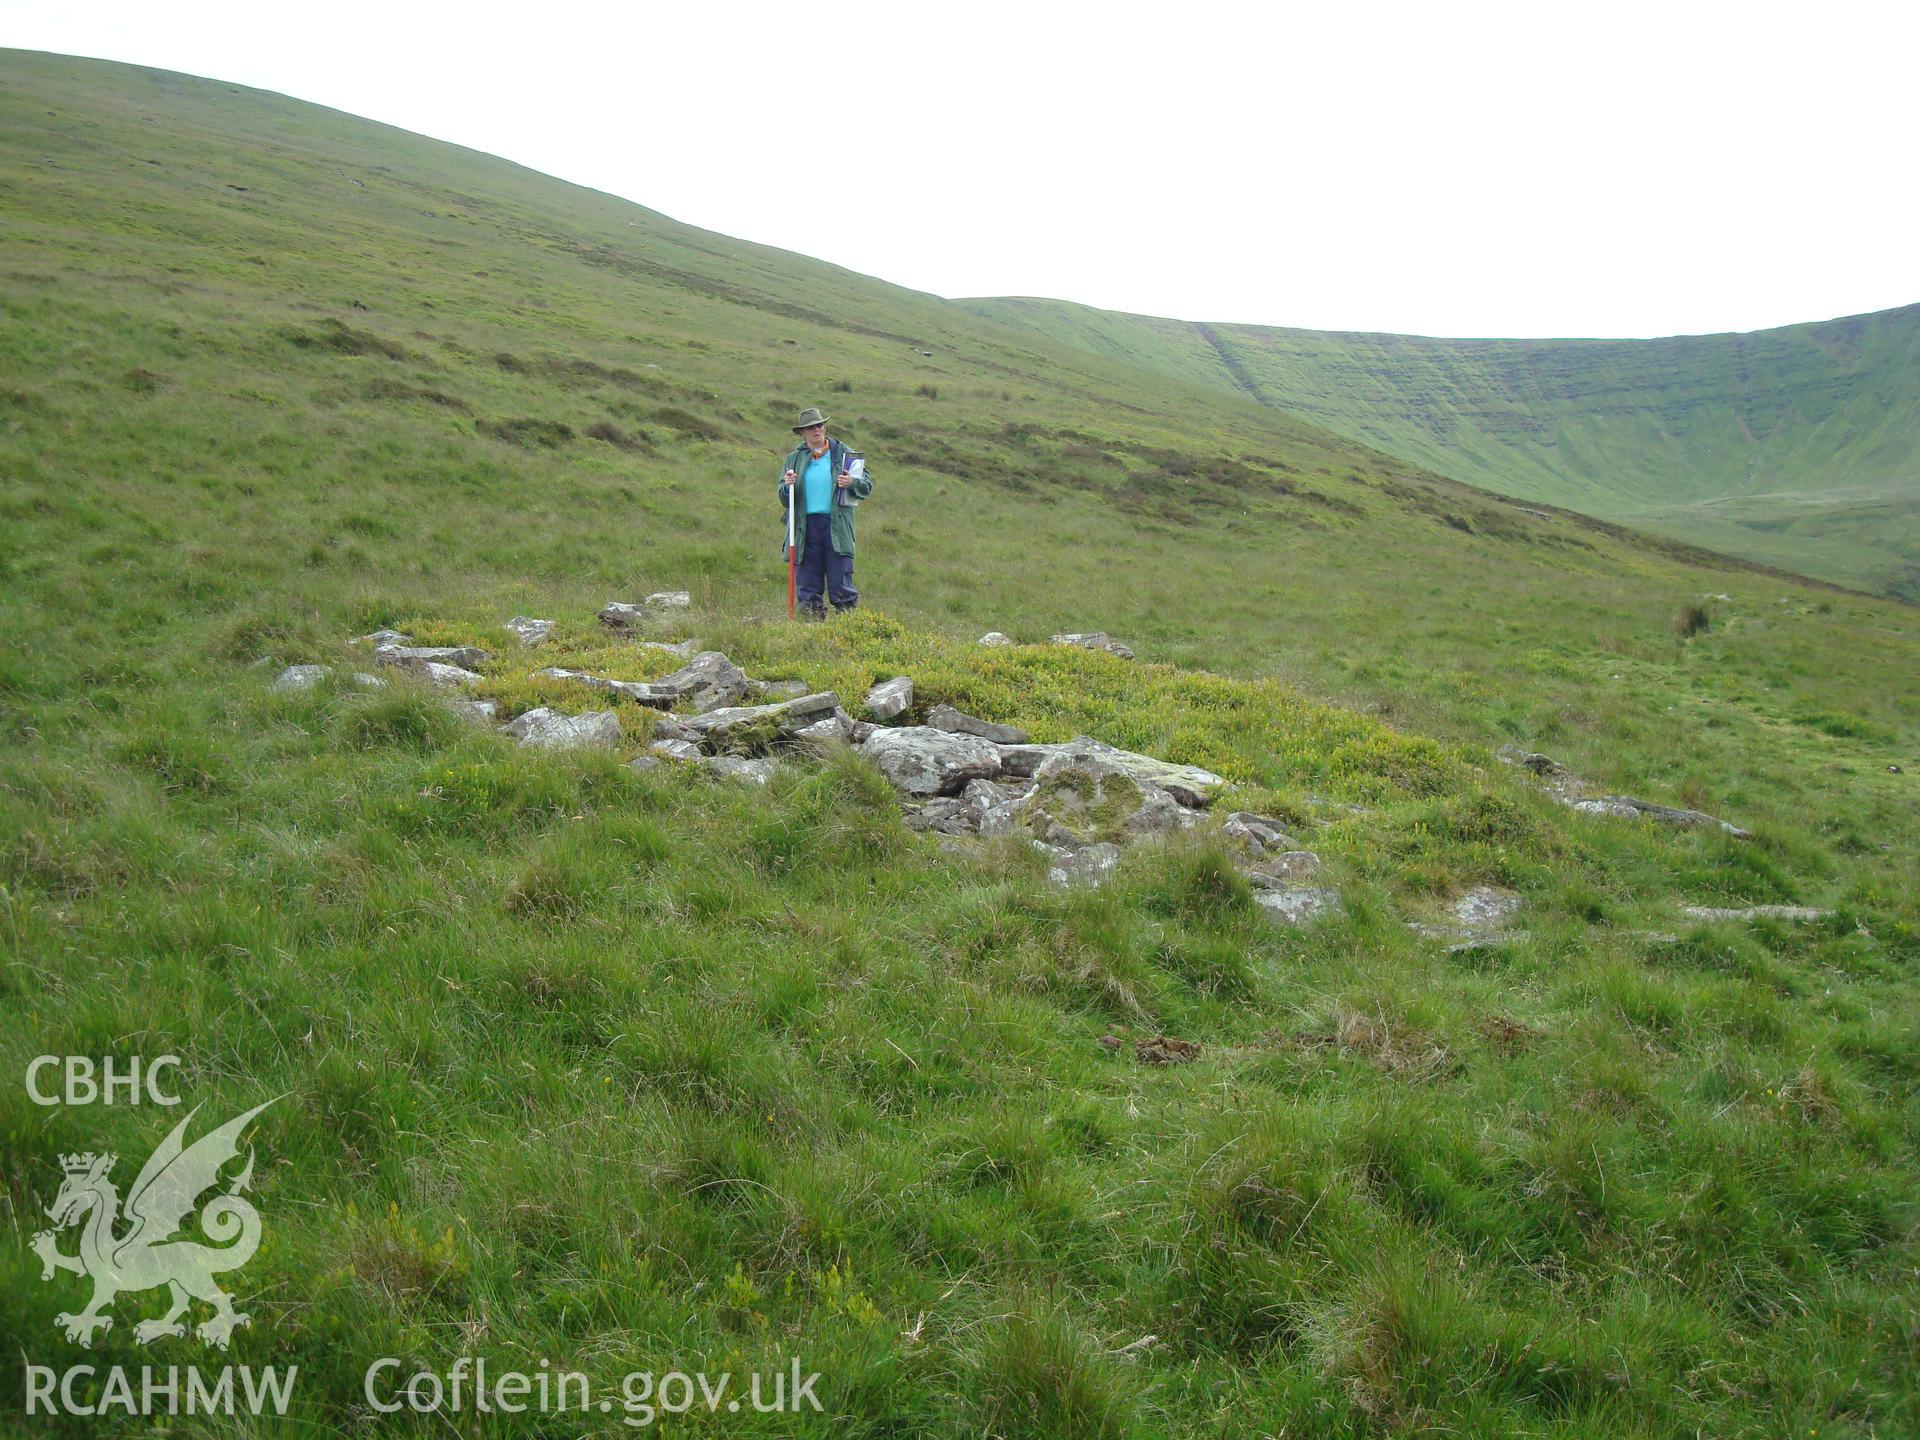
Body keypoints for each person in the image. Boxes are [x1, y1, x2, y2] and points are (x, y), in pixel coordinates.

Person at [777, 406, 874, 617]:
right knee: (808, 588)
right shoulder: (793, 459)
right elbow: (784, 498)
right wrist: (787, 486)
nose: (816, 430)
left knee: (841, 585)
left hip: (836, 528)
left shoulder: (845, 453)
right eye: (810, 428)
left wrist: (852, 482)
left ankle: (848, 634)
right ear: (802, 433)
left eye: (819, 425)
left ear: (825, 427)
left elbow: (866, 486)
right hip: (804, 529)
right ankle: (811, 635)